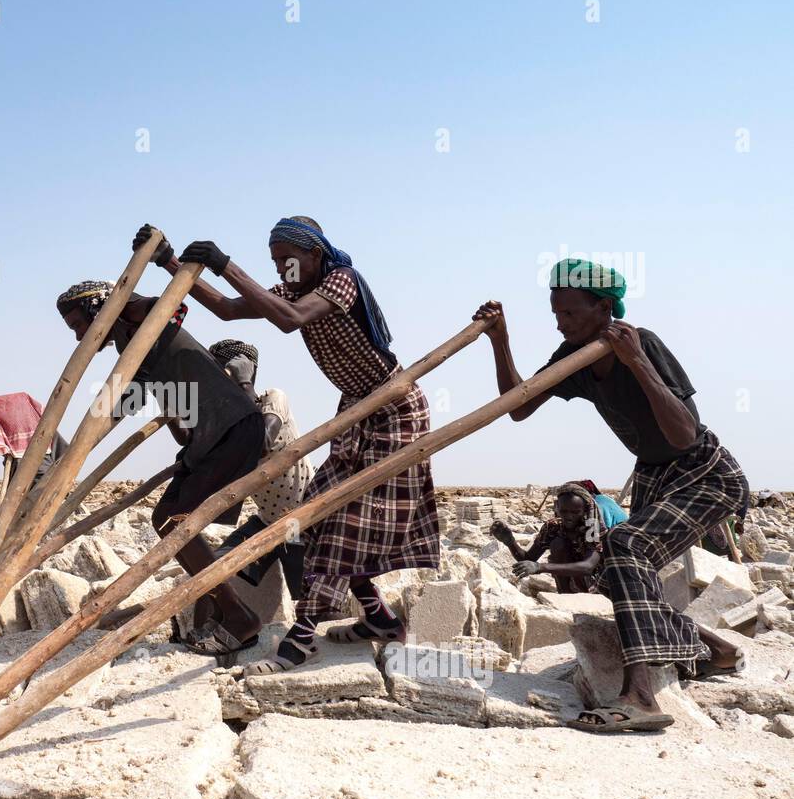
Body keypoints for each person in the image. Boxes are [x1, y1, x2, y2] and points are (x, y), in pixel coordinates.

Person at [136, 219, 440, 674]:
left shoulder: (342, 281)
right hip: (357, 408)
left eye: (288, 258)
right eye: (276, 261)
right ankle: (379, 618)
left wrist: (225, 264)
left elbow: (290, 321)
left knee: (342, 520)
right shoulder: (295, 290)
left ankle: (303, 638)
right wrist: (172, 265)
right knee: (317, 517)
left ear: (315, 252)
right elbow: (226, 310)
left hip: (393, 407)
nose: (282, 267)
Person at [473, 258, 749, 732]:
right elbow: (517, 407)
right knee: (615, 575)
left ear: (603, 307)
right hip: (655, 477)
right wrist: (500, 340)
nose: (560, 323)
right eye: (555, 313)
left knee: (625, 547)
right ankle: (716, 651)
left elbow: (684, 434)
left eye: (570, 313)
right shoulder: (571, 356)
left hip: (704, 473)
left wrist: (635, 361)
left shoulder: (641, 343)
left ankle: (640, 696)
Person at [56, 280, 264, 655]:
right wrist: (73, 455)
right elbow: (119, 408)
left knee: (176, 519)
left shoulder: (141, 319)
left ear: (100, 309)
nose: (78, 339)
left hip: (232, 426)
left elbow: (169, 305)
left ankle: (239, 616)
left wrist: (134, 288)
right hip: (207, 439)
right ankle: (225, 610)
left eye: (78, 326)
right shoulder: (133, 352)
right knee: (165, 518)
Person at [207, 339, 313, 596]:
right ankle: (223, 629)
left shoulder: (273, 399)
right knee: (213, 570)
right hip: (266, 521)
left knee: (306, 601)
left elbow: (262, 443)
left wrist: (244, 383)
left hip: (300, 522)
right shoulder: (231, 420)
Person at [491, 482, 610, 594]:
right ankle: (565, 597)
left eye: (575, 512)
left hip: (598, 585)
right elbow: (528, 558)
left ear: (585, 510)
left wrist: (540, 567)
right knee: (558, 544)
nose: (568, 516)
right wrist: (510, 542)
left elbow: (588, 566)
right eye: (564, 511)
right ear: (557, 507)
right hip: (572, 582)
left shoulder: (592, 529)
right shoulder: (553, 527)